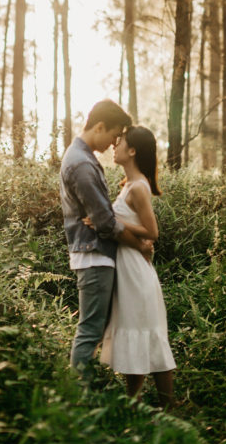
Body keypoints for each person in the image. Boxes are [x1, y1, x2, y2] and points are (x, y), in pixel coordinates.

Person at [60, 100, 153, 375]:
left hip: (95, 254)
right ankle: (80, 393)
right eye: (114, 134)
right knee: (90, 330)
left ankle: (86, 388)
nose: (114, 142)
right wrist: (140, 245)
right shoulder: (81, 164)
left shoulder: (82, 159)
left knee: (95, 328)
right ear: (99, 127)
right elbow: (105, 223)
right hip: (94, 255)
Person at [97, 125, 176, 408]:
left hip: (136, 271)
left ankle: (167, 406)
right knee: (135, 332)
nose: (114, 146)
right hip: (128, 268)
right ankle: (134, 403)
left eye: (120, 142)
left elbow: (152, 231)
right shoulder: (129, 186)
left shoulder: (139, 186)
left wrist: (110, 221)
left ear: (132, 151)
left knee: (147, 333)